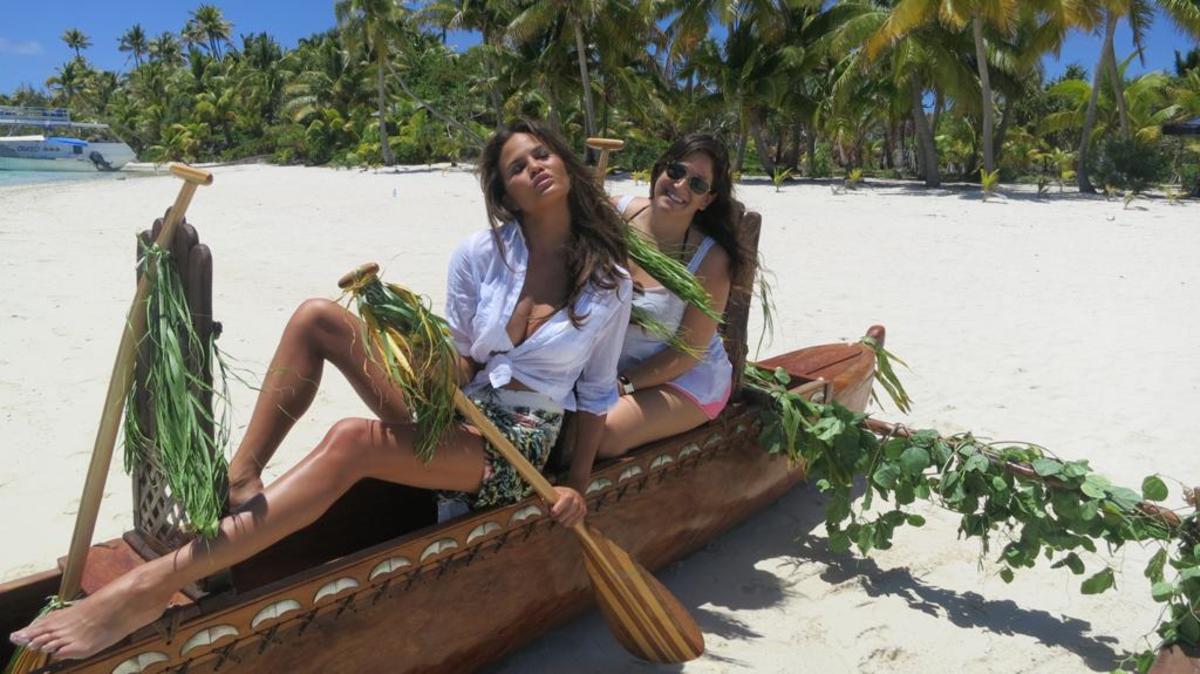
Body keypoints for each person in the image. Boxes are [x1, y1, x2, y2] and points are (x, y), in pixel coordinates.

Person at [10, 119, 632, 660]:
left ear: (565, 164)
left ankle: (145, 589)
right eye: (516, 167)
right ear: (507, 193)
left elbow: (596, 392)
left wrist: (574, 483)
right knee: (317, 317)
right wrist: (425, 353)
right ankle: (241, 478)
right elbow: (465, 365)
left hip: (515, 444)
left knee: (349, 441)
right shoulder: (480, 254)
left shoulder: (608, 279)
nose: (533, 168)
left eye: (542, 155)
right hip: (459, 413)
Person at [598, 134, 749, 459]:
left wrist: (622, 384)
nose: (680, 186)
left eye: (697, 184)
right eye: (676, 171)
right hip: (607, 366)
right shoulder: (615, 214)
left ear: (707, 200)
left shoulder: (710, 260)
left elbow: (688, 353)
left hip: (682, 377)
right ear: (660, 170)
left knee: (600, 433)